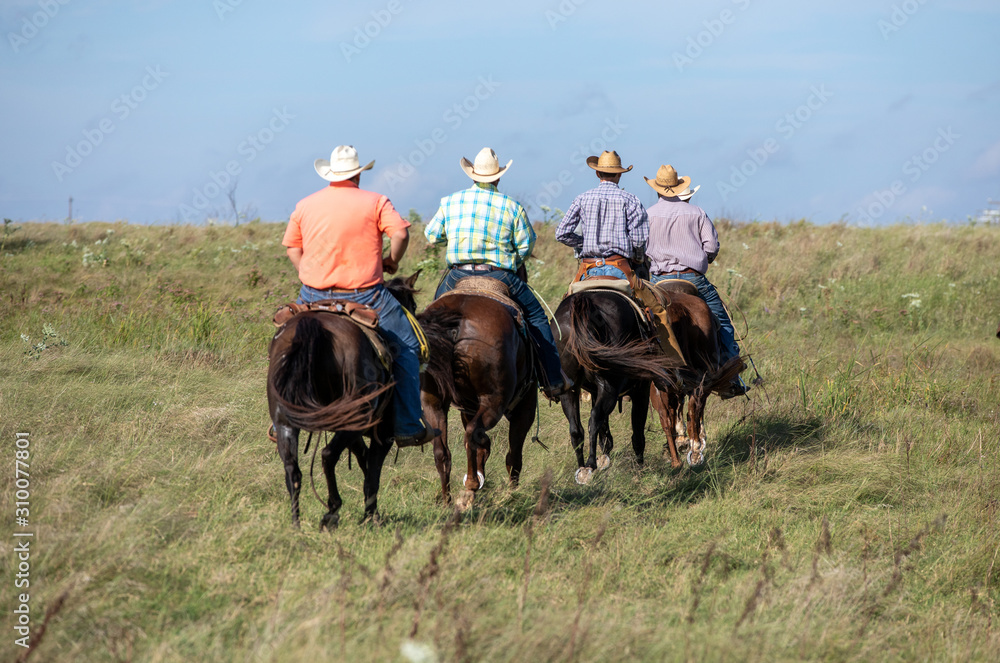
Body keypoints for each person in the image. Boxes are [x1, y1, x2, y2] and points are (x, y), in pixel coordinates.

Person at [282, 145, 436, 445]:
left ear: (330, 174)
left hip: (313, 295)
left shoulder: (306, 204)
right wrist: (392, 261)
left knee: (286, 345)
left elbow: (292, 248)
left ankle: (282, 420)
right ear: (358, 174)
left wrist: (308, 274)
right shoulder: (376, 201)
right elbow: (401, 234)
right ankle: (406, 424)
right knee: (407, 345)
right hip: (365, 295)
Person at [424, 147, 568, 400]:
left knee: (430, 319)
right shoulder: (512, 206)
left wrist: (455, 236)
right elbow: (526, 244)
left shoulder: (450, 201)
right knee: (536, 317)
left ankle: (423, 380)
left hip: (457, 275)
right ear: (498, 177)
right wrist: (514, 259)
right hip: (499, 275)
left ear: (472, 175)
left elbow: (431, 235)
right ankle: (553, 380)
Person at [643, 164, 750, 398]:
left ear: (657, 189)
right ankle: (731, 376)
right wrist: (706, 258)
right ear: (679, 187)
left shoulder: (647, 214)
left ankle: (633, 379)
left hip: (658, 281)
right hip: (694, 278)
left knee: (639, 324)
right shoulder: (697, 212)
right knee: (722, 322)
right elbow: (711, 246)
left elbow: (639, 248)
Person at [555, 150, 649, 281]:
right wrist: (638, 257)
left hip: (589, 268)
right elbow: (639, 240)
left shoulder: (582, 199)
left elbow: (561, 233)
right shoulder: (631, 200)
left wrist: (585, 242)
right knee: (649, 300)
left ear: (597, 173)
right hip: (620, 266)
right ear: (620, 174)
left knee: (569, 297)